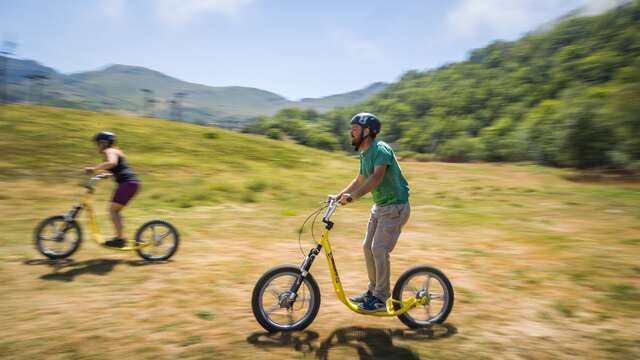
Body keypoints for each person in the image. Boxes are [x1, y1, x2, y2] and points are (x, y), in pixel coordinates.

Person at [330, 113, 410, 312]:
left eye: (355, 129)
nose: (351, 132)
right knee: (367, 247)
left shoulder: (381, 150)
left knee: (379, 250)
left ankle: (381, 299)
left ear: (367, 132)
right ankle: (373, 291)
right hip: (380, 207)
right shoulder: (365, 153)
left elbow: (376, 178)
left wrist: (353, 197)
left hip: (395, 207)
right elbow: (359, 179)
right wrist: (338, 196)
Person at [84, 131, 140, 248]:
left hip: (128, 183)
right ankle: (120, 237)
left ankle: (120, 239)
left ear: (104, 143)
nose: (97, 146)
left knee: (113, 211)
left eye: (98, 143)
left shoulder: (110, 151)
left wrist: (94, 169)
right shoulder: (116, 151)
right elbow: (119, 170)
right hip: (130, 183)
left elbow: (112, 163)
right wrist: (103, 175)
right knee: (115, 211)